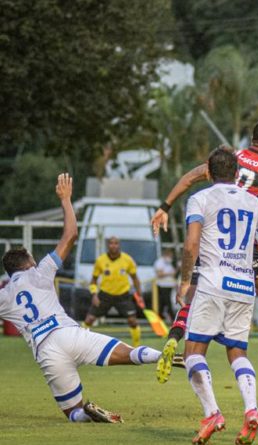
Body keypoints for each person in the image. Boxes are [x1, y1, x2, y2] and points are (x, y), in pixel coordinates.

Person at [152, 120, 258, 383]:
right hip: (243, 241)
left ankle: (174, 339)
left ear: (251, 139)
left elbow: (190, 177)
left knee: (194, 291)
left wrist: (164, 207)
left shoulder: (228, 160)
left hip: (212, 237)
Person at [0, 174, 162, 423]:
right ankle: (162, 357)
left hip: (46, 351)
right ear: (29, 262)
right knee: (129, 354)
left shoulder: (4, 295)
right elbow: (71, 234)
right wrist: (65, 199)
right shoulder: (40, 270)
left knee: (72, 413)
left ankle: (86, 414)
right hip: (69, 334)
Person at [179, 148, 258, 444]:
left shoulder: (200, 199)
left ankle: (213, 412)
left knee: (193, 352)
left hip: (212, 283)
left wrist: (186, 280)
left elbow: (191, 245)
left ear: (209, 174)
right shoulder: (254, 202)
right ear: (238, 174)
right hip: (243, 286)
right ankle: (251, 410)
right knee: (237, 352)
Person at [82, 236, 143, 347]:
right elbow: (93, 281)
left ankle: (136, 347)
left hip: (123, 296)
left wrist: (139, 294)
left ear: (119, 245)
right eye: (111, 243)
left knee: (133, 321)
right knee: (89, 319)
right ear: (107, 245)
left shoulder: (127, 260)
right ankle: (81, 343)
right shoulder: (100, 260)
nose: (113, 245)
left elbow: (135, 278)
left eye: (116, 243)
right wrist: (94, 295)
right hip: (105, 295)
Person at [154, 248, 177, 323]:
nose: (170, 258)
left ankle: (160, 318)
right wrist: (170, 273)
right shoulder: (159, 262)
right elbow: (159, 274)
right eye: (170, 256)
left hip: (169, 285)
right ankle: (173, 319)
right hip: (162, 286)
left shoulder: (169, 263)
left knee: (163, 304)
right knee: (167, 303)